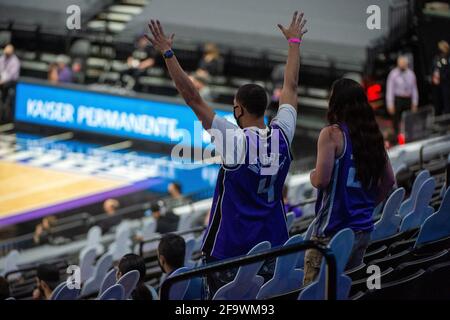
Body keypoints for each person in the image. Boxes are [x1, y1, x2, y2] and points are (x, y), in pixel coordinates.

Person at [145, 11, 307, 296]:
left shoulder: (234, 140)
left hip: (231, 250)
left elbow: (192, 97)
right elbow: (291, 86)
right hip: (273, 244)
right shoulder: (283, 134)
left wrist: (168, 53)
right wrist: (294, 41)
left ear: (239, 110)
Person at [305, 78, 396, 286]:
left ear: (335, 102)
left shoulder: (331, 134)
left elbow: (321, 180)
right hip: (362, 230)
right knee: (350, 290)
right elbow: (389, 180)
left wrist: (312, 175)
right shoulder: (373, 136)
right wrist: (368, 206)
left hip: (332, 234)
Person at [386, 55, 419, 135]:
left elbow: (414, 89)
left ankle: (409, 135)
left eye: (403, 63)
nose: (402, 65)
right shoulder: (393, 74)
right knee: (396, 120)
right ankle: (396, 136)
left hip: (407, 99)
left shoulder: (411, 74)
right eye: (400, 63)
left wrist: (415, 103)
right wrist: (390, 104)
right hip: (398, 99)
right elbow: (390, 90)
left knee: (409, 119)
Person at [0, 44, 20, 121]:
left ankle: (5, 116)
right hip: (2, 81)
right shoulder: (2, 59)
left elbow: (11, 76)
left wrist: (2, 81)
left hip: (11, 83)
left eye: (8, 53)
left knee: (6, 85)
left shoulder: (15, 61)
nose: (6, 54)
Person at [431, 40, 450, 115]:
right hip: (437, 85)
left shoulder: (448, 58)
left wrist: (442, 77)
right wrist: (434, 77)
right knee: (438, 102)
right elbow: (434, 69)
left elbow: (447, 70)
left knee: (447, 101)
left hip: (446, 83)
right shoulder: (436, 58)